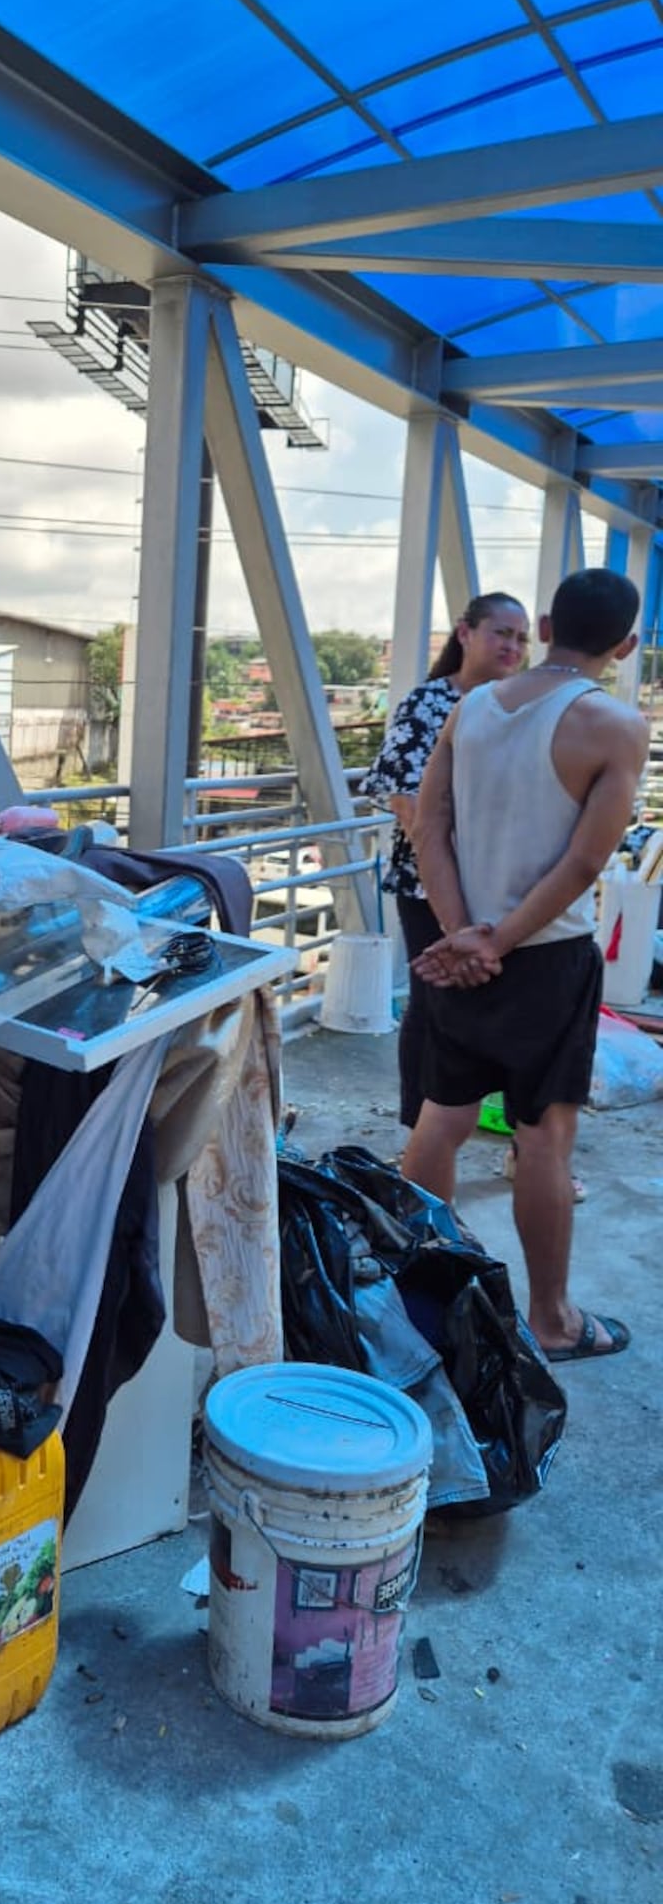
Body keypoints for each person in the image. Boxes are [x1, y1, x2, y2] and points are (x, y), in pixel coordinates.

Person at [403, 568, 648, 1364]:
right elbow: (583, 864)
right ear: (626, 644)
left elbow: (426, 825)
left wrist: (459, 932)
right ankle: (552, 1320)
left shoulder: (469, 706)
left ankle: (425, 1295)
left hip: (460, 949)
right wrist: (498, 940)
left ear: (543, 625)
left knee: (442, 1116)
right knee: (544, 1140)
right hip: (544, 957)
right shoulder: (614, 725)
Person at [361, 592, 530, 1128]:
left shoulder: (521, 706)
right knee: (434, 1005)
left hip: (505, 886)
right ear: (466, 633)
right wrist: (451, 882)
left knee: (511, 1008)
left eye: (522, 638)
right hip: (428, 886)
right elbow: (408, 803)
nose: (512, 646)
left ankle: (521, 1134)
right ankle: (420, 1131)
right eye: (502, 632)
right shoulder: (429, 703)